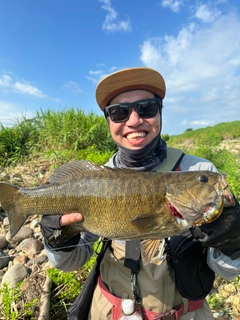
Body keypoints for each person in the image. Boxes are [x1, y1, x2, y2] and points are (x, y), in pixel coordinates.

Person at [41, 67, 240, 320]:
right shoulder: (97, 179)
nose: (134, 121)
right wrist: (56, 240)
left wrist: (233, 242)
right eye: (119, 112)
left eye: (146, 107)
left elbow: (228, 271)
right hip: (110, 311)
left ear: (160, 112)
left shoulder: (199, 171)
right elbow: (71, 263)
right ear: (108, 121)